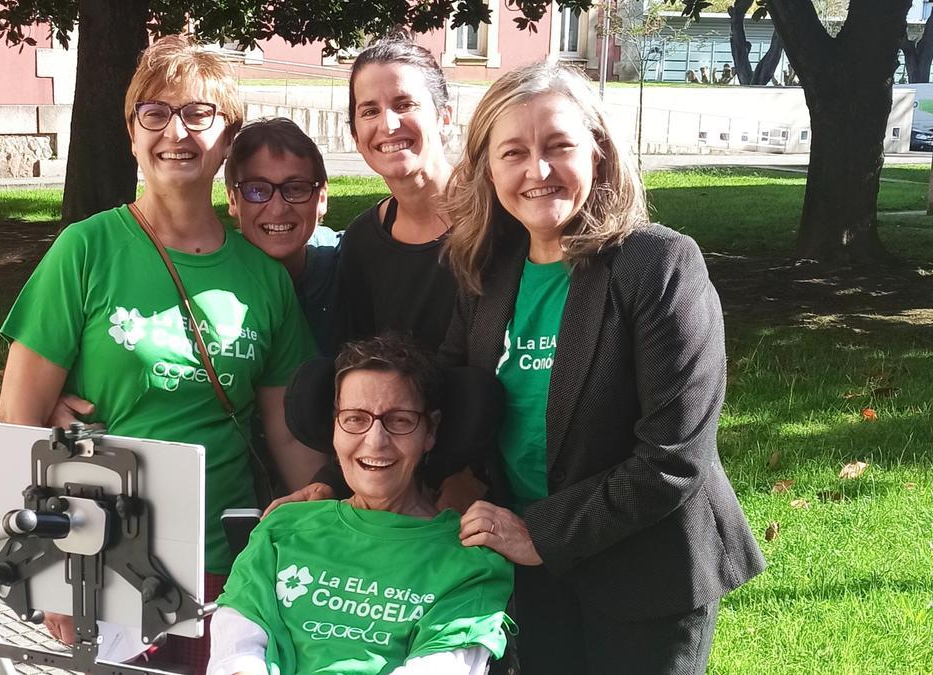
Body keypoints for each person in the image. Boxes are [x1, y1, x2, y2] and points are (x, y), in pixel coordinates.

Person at [0, 34, 325, 668]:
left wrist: (332, 533)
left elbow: (288, 436)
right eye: (155, 112)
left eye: (199, 113)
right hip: (107, 557)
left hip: (230, 561)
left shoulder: (262, 275)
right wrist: (47, 570)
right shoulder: (85, 250)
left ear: (227, 140)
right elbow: (18, 421)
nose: (176, 130)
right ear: (132, 134)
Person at [441, 62, 765, 673]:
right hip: (527, 575)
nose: (536, 171)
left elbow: (675, 455)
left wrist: (540, 533)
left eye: (559, 145)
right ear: (489, 168)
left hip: (646, 575)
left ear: (599, 152)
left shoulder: (659, 264)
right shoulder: (487, 272)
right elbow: (449, 393)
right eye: (513, 152)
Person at [208, 335, 513, 675]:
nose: (375, 441)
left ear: (431, 430)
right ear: (335, 427)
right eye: (355, 418)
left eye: (399, 420)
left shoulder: (469, 561)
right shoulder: (282, 528)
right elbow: (237, 644)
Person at [336, 36, 459, 352]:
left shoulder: (498, 220)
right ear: (355, 134)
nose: (388, 124)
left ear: (444, 117)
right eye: (369, 111)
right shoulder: (361, 243)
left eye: (404, 104)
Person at [225, 117, 340, 356]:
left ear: (321, 198)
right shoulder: (209, 276)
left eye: (296, 188)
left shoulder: (351, 259)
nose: (278, 209)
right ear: (233, 200)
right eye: (257, 189)